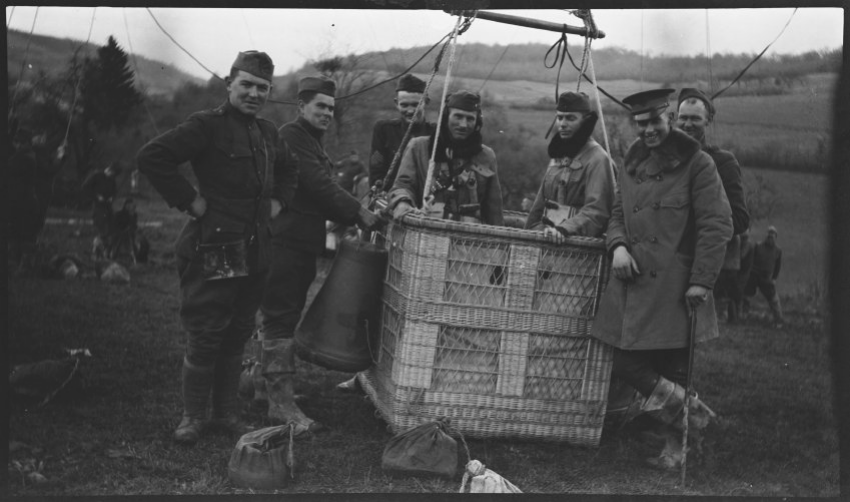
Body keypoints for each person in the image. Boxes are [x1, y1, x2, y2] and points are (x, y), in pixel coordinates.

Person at [137, 51, 298, 445]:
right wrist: (190, 201)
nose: (254, 93)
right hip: (216, 247)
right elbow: (152, 157)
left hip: (257, 250)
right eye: (246, 84)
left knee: (239, 332)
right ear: (229, 84)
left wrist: (278, 203)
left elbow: (290, 170)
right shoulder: (206, 126)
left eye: (262, 88)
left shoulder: (268, 133)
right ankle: (193, 417)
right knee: (207, 333)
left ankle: (226, 414)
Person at [590, 88, 733, 469]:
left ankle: (676, 452)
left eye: (654, 121)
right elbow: (617, 212)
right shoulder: (632, 161)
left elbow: (718, 224)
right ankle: (697, 417)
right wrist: (618, 245)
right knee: (624, 361)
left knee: (675, 369)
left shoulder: (698, 164)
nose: (649, 130)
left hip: (676, 285)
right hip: (633, 281)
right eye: (641, 124)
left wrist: (702, 280)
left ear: (668, 117)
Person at [259, 75, 381, 431]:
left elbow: (317, 191)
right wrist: (359, 212)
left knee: (279, 314)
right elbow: (318, 184)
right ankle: (279, 405)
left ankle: (261, 385)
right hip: (286, 241)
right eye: (320, 106)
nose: (327, 113)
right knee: (281, 317)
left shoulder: (310, 140)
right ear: (301, 106)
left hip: (299, 242)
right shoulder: (293, 137)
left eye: (331, 107)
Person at [677, 88, 750, 323]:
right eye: (683, 117)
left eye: (695, 118)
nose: (688, 124)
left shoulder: (723, 162)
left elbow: (738, 220)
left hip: (698, 267)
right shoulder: (663, 158)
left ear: (708, 120)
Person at [388, 90, 504, 227]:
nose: (463, 125)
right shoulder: (419, 148)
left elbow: (493, 209)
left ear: (477, 122)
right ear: (446, 117)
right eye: (458, 117)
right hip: (424, 231)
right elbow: (403, 185)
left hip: (468, 239)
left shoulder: (486, 156)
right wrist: (403, 202)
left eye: (470, 119)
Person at [524, 91, 616, 240]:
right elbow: (539, 206)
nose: (563, 124)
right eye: (560, 118)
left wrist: (564, 229)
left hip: (575, 245)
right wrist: (524, 238)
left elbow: (596, 211)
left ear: (585, 120)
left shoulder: (598, 159)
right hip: (545, 238)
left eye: (570, 118)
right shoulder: (558, 156)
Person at [369, 73, 436, 189]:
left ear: (426, 102)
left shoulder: (435, 132)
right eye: (404, 105)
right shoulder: (384, 130)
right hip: (392, 199)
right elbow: (376, 172)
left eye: (416, 105)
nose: (410, 111)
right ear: (396, 104)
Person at [8, 127, 41, 271]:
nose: (17, 145)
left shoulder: (22, 156)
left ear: (25, 143)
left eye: (20, 142)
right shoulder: (30, 155)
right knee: (23, 233)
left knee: (18, 233)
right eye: (17, 142)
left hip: (20, 201)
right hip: (26, 199)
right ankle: (21, 264)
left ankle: (18, 265)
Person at [743, 226, 784, 325]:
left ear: (775, 237)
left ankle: (779, 320)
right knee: (745, 296)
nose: (770, 237)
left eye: (772, 236)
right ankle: (742, 316)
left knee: (773, 299)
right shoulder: (758, 246)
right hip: (754, 275)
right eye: (768, 235)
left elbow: (777, 267)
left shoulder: (778, 251)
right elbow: (751, 260)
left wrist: (774, 278)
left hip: (766, 278)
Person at [82, 162, 119, 246]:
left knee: (112, 225)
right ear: (109, 170)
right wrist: (96, 196)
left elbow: (114, 191)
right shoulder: (96, 175)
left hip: (107, 205)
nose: (112, 176)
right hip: (98, 205)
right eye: (112, 174)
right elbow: (85, 187)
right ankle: (99, 245)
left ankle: (109, 246)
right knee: (101, 225)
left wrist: (111, 198)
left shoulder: (112, 179)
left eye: (113, 175)